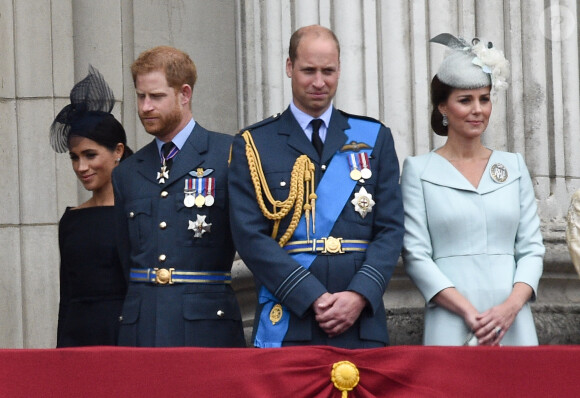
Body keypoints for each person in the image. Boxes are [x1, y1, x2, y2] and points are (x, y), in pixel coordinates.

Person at [228, 25, 404, 348]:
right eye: (309, 70)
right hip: (290, 317)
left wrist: (359, 294)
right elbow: (249, 236)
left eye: (329, 71)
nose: (319, 82)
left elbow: (390, 229)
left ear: (339, 70)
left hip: (360, 320)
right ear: (289, 67)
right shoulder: (254, 144)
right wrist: (309, 295)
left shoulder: (373, 138)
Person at [401, 33, 544, 346]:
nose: (477, 109)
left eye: (484, 98)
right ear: (443, 107)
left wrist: (509, 309)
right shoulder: (418, 170)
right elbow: (415, 255)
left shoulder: (514, 166)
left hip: (513, 321)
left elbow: (532, 248)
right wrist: (468, 313)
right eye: (465, 100)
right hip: (451, 319)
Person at [112, 46, 245, 347]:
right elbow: (126, 259)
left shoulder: (229, 155)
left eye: (156, 96)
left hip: (206, 328)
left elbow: (253, 242)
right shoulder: (127, 173)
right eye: (140, 96)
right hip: (141, 329)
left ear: (184, 94)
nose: (145, 107)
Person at [50, 65, 132, 347]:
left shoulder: (135, 212)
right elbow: (67, 297)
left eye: (90, 155)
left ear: (117, 151)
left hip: (125, 337)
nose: (81, 167)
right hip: (77, 341)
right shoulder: (72, 219)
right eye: (74, 157)